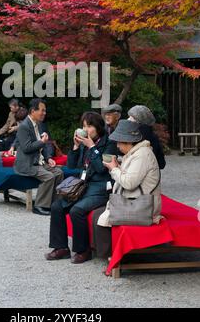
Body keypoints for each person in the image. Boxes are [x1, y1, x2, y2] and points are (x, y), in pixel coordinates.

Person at [45, 111, 116, 264]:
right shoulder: (85, 144)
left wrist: (91, 147)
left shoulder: (109, 144)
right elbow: (71, 167)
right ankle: (61, 248)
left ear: (98, 128)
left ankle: (83, 251)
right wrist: (76, 147)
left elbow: (101, 169)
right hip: (83, 186)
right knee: (57, 206)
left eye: (90, 126)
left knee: (76, 210)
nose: (86, 129)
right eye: (84, 126)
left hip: (101, 188)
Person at [92, 119, 162, 259]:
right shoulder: (137, 153)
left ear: (129, 142)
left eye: (119, 142)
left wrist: (113, 169)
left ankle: (112, 258)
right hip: (135, 199)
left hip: (143, 205)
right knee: (97, 214)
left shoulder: (142, 155)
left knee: (101, 217)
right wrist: (118, 166)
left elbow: (129, 183)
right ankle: (106, 255)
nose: (117, 146)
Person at [14, 99, 64, 216]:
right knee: (49, 177)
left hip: (39, 160)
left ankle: (54, 204)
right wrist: (42, 142)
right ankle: (39, 205)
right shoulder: (24, 126)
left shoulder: (39, 124)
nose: (44, 113)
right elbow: (27, 148)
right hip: (27, 163)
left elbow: (43, 146)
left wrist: (48, 158)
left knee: (59, 172)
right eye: (42, 110)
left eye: (45, 110)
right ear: (33, 111)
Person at [128, 105, 166, 170]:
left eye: (132, 117)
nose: (128, 119)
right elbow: (161, 163)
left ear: (140, 120)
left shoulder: (137, 137)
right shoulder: (153, 136)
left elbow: (161, 163)